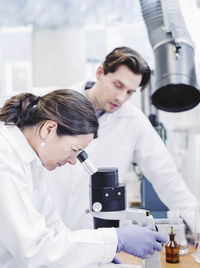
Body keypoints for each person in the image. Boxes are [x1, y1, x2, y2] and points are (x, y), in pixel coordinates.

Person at [0, 89, 166, 268]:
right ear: (49, 129)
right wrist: (115, 239)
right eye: (74, 150)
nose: (73, 161)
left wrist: (94, 255)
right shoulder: (5, 162)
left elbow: (55, 231)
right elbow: (36, 250)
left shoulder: (30, 161)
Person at [44, 47, 197, 233]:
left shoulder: (133, 120)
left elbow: (167, 176)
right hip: (46, 225)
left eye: (130, 92)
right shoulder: (53, 103)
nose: (121, 97)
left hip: (93, 231)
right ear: (100, 72)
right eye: (117, 85)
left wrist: (195, 222)